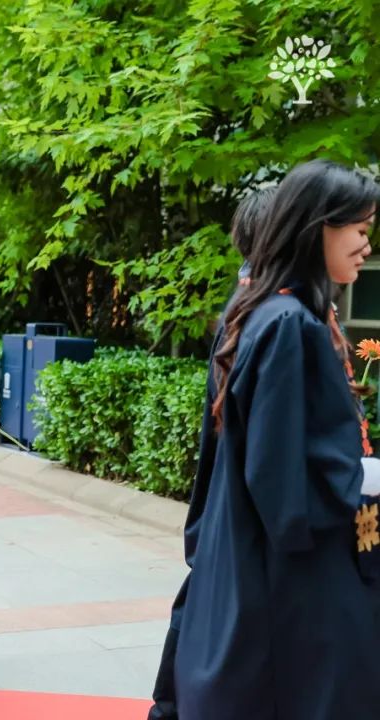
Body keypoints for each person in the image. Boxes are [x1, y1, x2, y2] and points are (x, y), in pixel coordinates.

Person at [167, 159, 380, 719]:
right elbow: (281, 474)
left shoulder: (274, 311)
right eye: (359, 229)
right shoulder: (289, 323)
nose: (367, 245)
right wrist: (362, 479)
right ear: (318, 227)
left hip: (261, 553)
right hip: (292, 572)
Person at [148, 185, 276, 719]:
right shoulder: (270, 314)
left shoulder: (251, 302)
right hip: (239, 493)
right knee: (209, 597)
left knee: (205, 594)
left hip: (225, 489)